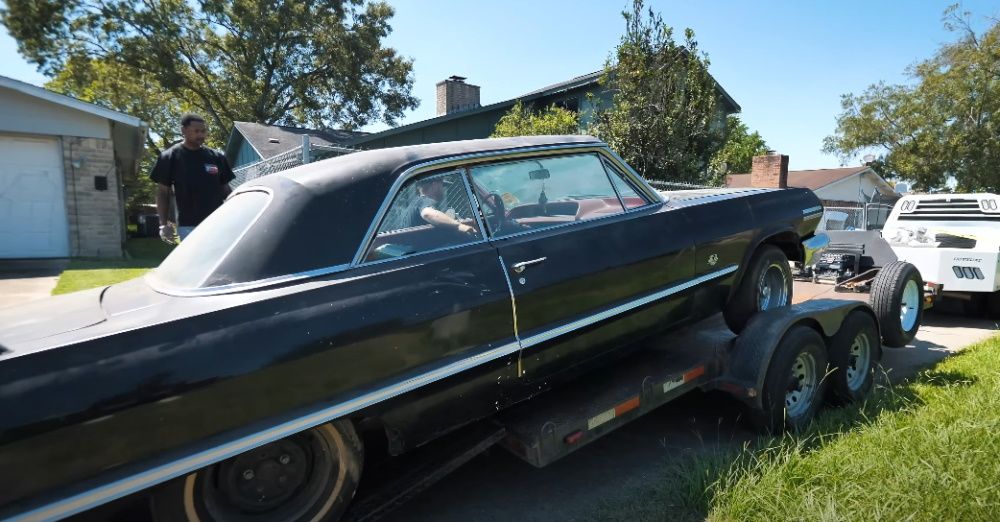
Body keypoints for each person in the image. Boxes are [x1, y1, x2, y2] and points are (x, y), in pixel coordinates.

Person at [151, 114, 235, 242]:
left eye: (203, 131)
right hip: (188, 226)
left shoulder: (217, 157)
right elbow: (163, 193)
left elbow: (226, 190)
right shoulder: (170, 157)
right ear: (183, 131)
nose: (201, 135)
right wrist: (163, 224)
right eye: (196, 131)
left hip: (218, 222)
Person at [406, 176, 477, 235]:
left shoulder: (415, 203)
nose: (443, 189)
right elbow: (427, 214)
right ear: (435, 185)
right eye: (442, 185)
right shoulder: (425, 201)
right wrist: (459, 225)